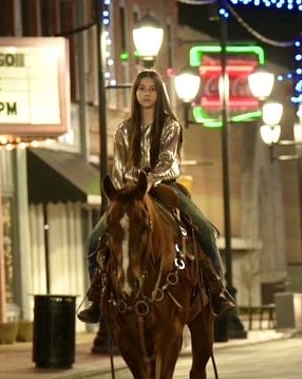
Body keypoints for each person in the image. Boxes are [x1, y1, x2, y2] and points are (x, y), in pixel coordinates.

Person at [77, 69, 235, 324]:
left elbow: (167, 160)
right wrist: (128, 189)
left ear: (159, 93)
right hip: (130, 192)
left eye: (151, 89)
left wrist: (149, 180)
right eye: (142, 89)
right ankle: (96, 296)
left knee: (204, 228)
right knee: (94, 239)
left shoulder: (170, 125)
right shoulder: (124, 130)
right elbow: (118, 167)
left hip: (166, 187)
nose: (146, 94)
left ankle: (218, 290)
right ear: (135, 93)